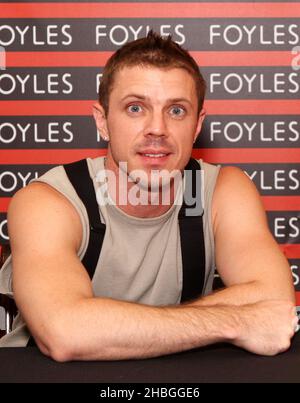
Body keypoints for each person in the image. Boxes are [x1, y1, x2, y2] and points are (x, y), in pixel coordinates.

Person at [0, 31, 298, 361]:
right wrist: (237, 320)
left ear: (197, 125)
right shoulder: (51, 202)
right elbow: (64, 332)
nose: (157, 129)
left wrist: (113, 326)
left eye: (176, 111)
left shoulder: (219, 191)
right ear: (103, 121)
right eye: (135, 108)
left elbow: (275, 301)